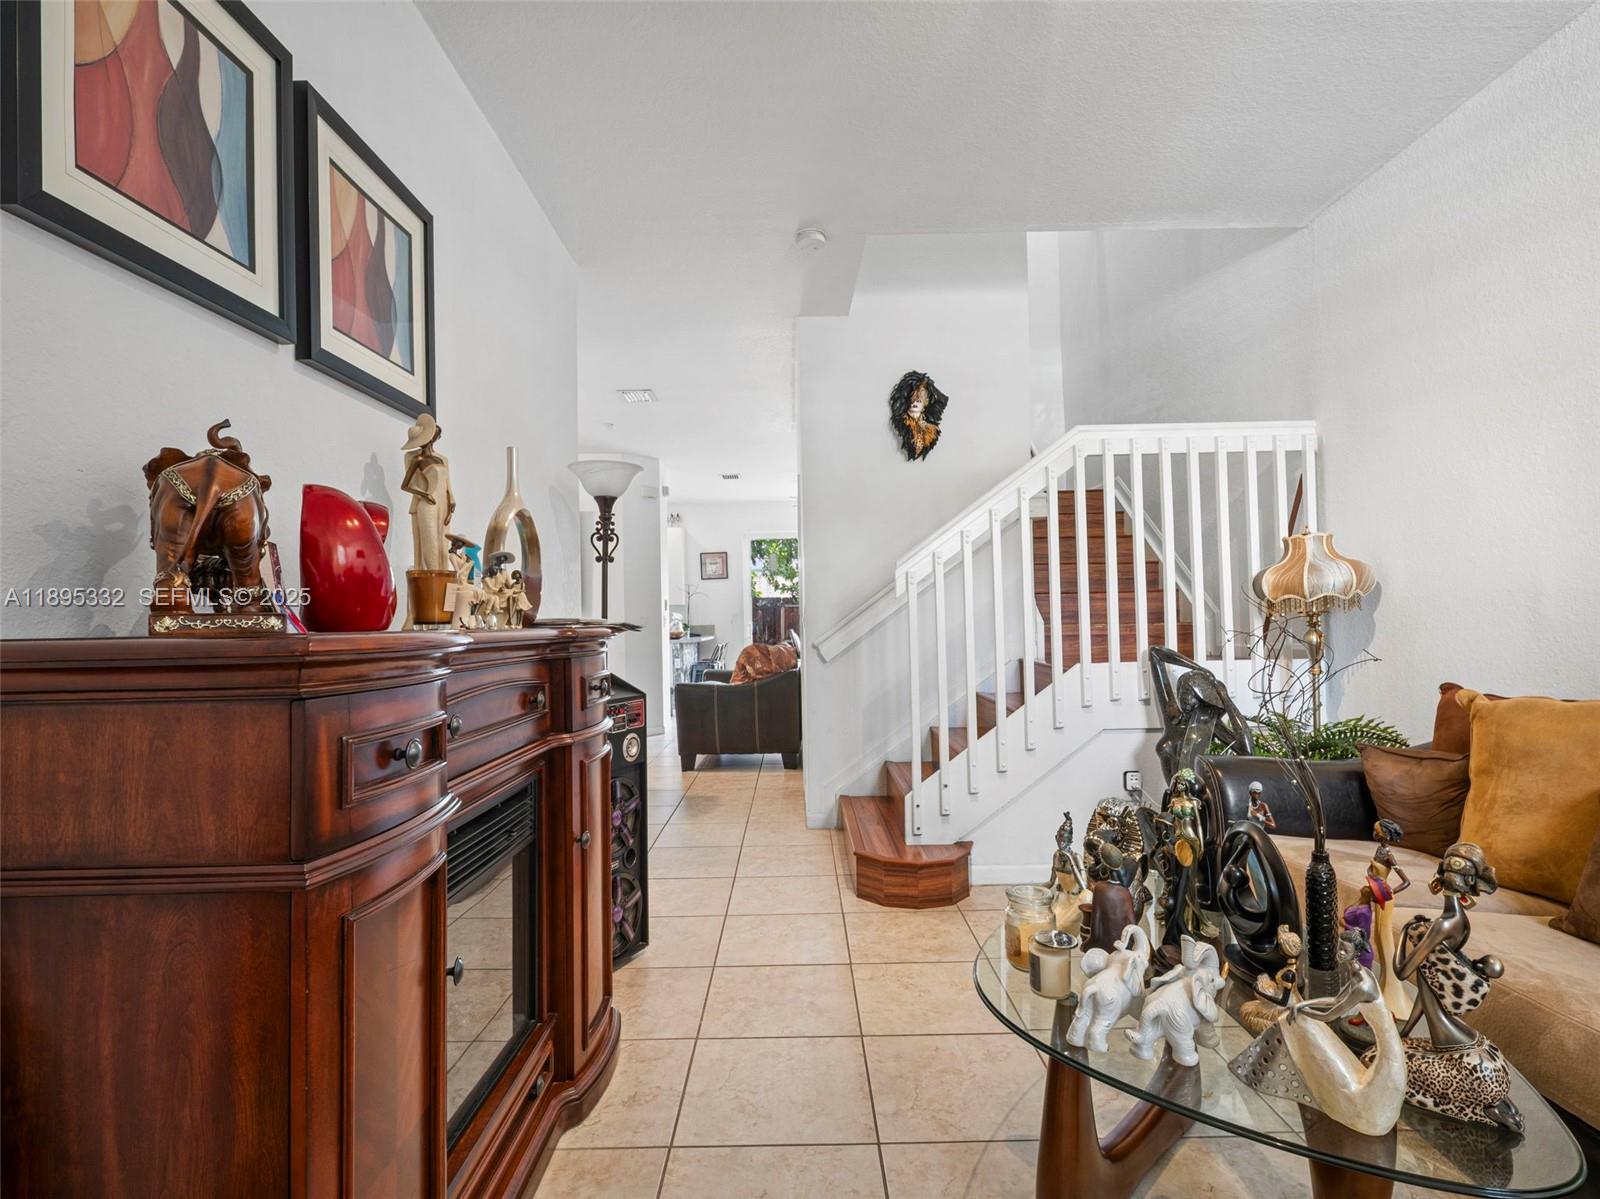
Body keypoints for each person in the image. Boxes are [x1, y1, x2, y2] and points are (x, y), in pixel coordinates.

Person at [401, 414, 454, 573]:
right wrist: (424, 495)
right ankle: (431, 583)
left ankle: (441, 588)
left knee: (442, 545)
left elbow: (447, 484)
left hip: (442, 504)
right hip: (427, 504)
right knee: (430, 545)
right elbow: (406, 485)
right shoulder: (416, 458)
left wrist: (451, 502)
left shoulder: (440, 459)